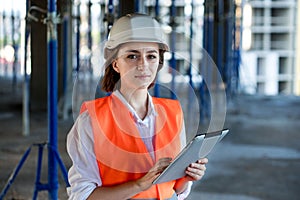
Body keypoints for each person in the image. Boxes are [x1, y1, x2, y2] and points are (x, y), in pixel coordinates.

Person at [67, 13, 208, 200]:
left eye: (151, 56)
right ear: (115, 64)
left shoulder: (173, 113)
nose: (143, 65)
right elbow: (82, 197)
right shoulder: (91, 121)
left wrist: (187, 177)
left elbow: (175, 190)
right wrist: (139, 185)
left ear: (159, 62)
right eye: (132, 56)